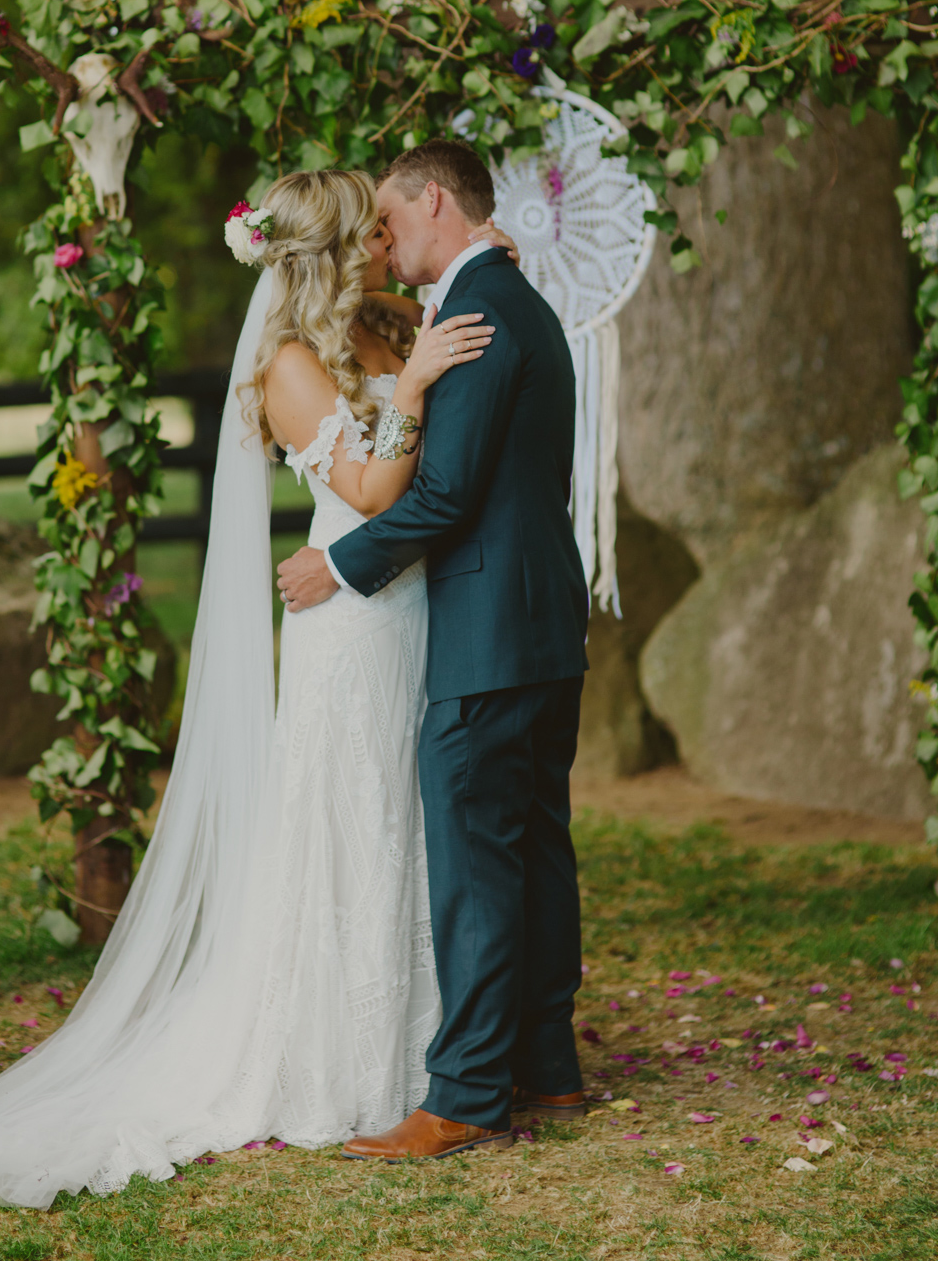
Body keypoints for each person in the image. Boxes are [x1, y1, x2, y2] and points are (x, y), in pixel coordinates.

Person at [0, 167, 510, 1209]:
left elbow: (441, 308)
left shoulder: (379, 326)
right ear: (338, 249)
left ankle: (435, 1047)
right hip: (348, 623)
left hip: (411, 612)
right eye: (372, 233)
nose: (390, 245)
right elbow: (370, 489)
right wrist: (420, 390)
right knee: (350, 823)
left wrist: (466, 290)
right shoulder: (292, 367)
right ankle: (342, 1064)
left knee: (405, 817)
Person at [279, 138, 590, 1161]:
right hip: (543, 622)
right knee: (536, 845)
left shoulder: (476, 313)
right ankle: (545, 1066)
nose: (384, 236)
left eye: (394, 216)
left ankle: (461, 1095)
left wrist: (344, 564)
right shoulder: (511, 300)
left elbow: (449, 494)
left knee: (474, 861)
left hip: (490, 633)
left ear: (436, 200)